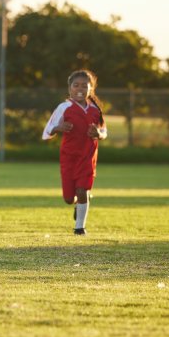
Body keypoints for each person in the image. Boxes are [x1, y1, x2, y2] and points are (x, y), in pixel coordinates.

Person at [42, 69, 107, 235]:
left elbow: (104, 131)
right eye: (76, 85)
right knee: (69, 198)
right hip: (69, 157)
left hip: (87, 156)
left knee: (82, 190)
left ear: (90, 88)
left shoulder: (96, 110)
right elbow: (48, 130)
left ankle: (79, 228)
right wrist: (59, 127)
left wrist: (98, 134)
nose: (80, 89)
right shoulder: (64, 107)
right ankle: (79, 203)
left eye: (84, 86)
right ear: (70, 88)